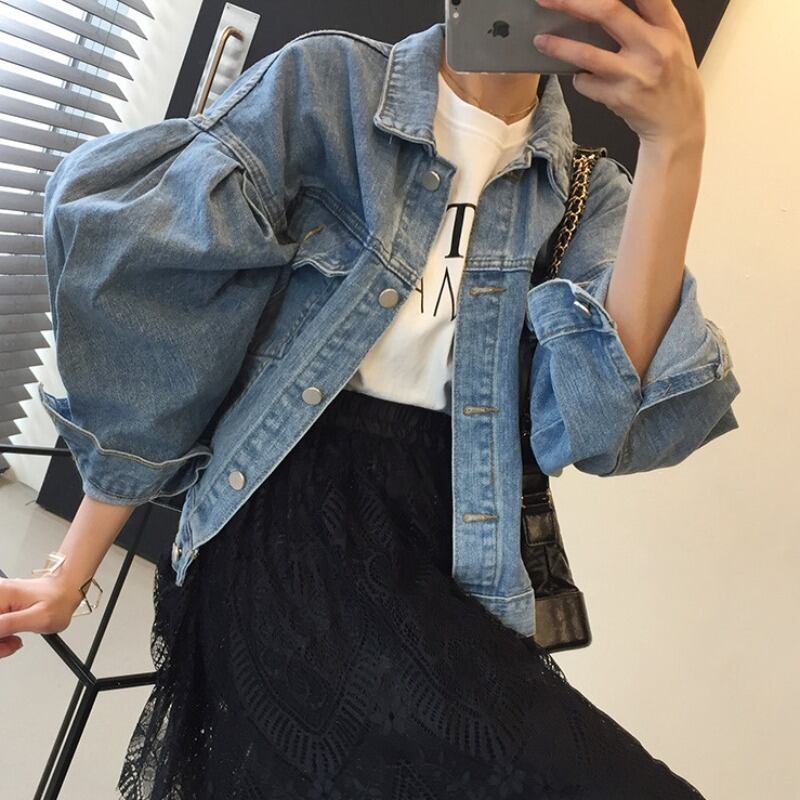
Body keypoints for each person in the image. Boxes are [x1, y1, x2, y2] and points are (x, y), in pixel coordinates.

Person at [1, 4, 740, 798]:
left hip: (452, 555)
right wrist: (69, 571)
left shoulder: (590, 196)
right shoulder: (329, 87)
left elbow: (602, 426)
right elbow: (174, 330)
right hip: (284, 518)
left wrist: (675, 145)